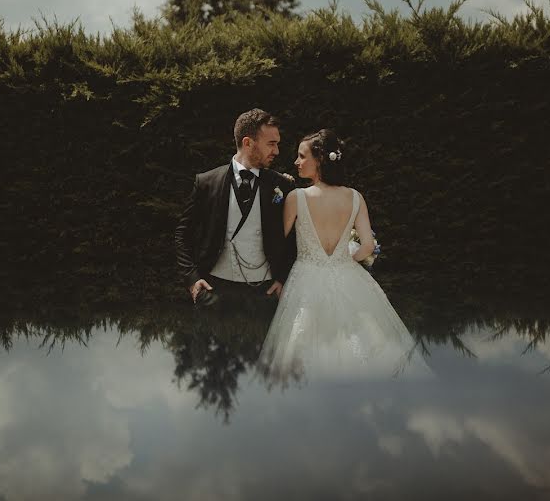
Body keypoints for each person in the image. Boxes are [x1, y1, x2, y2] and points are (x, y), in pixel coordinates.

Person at [257, 129, 422, 385]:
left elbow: (277, 245)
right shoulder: (355, 197)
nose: (296, 162)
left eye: (302, 156)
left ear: (320, 159)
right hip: (349, 276)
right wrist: (343, 261)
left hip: (306, 280)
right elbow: (367, 246)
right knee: (369, 344)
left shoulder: (296, 198)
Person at [174, 108, 297, 307]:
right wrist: (192, 278)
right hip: (215, 290)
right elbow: (183, 234)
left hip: (265, 292)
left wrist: (282, 278)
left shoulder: (282, 185)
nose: (277, 151)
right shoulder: (207, 182)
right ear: (248, 143)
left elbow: (292, 238)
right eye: (271, 144)